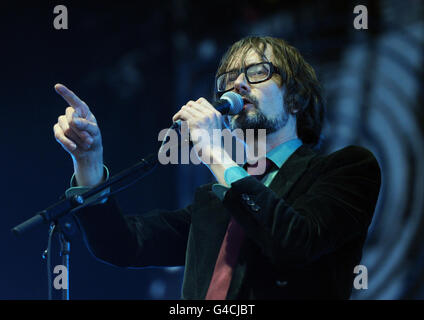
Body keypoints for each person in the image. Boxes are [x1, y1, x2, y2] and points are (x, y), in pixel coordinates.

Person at [53, 36, 381, 299]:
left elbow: (294, 243)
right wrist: (89, 162)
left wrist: (211, 150)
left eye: (257, 72)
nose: (238, 84)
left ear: (295, 99)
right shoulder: (214, 199)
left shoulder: (347, 169)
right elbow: (122, 245)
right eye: (229, 77)